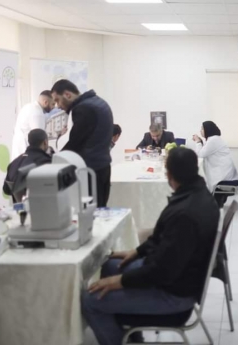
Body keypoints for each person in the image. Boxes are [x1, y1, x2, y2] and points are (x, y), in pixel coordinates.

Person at [81, 148, 220, 345]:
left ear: (169, 174)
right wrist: (136, 252)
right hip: (178, 278)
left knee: (90, 301)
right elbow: (162, 239)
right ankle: (133, 336)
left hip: (174, 295)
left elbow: (161, 271)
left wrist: (121, 281)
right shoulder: (197, 194)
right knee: (110, 265)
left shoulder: (185, 215)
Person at [51, 79, 113, 208]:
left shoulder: (84, 108)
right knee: (100, 210)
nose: (57, 106)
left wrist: (55, 160)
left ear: (67, 95)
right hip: (103, 166)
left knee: (90, 212)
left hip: (90, 170)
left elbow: (76, 142)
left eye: (57, 100)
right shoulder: (99, 102)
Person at [192, 121, 238, 206]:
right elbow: (204, 151)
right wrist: (200, 142)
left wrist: (198, 142)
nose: (200, 131)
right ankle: (218, 199)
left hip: (224, 175)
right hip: (224, 172)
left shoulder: (213, 140)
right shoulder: (213, 139)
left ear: (208, 129)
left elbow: (200, 154)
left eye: (202, 129)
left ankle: (217, 199)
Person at [3, 129, 52, 202]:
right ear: (45, 142)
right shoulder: (46, 162)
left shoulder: (13, 164)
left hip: (20, 207)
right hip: (43, 206)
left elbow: (6, 190)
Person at [11, 90, 54, 159]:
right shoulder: (38, 114)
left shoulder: (28, 106)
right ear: (45, 102)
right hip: (26, 152)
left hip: (19, 151)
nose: (54, 107)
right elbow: (39, 140)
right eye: (53, 104)